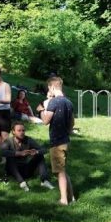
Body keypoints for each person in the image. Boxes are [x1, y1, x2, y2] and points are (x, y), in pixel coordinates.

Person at [40, 76, 75, 205]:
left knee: (60, 172)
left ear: (52, 87)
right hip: (66, 141)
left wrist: (42, 109)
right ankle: (71, 198)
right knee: (63, 170)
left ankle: (63, 200)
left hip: (56, 142)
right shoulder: (69, 102)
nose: (49, 91)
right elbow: (71, 124)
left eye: (49, 88)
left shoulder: (54, 102)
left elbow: (45, 121)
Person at [0, 122, 54, 191]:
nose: (22, 132)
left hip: (25, 169)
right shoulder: (9, 141)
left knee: (39, 156)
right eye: (19, 130)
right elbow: (3, 152)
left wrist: (36, 152)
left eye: (23, 130)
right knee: (10, 158)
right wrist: (19, 153)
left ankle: (44, 181)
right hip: (13, 170)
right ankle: (22, 182)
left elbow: (44, 150)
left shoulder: (28, 140)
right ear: (13, 132)